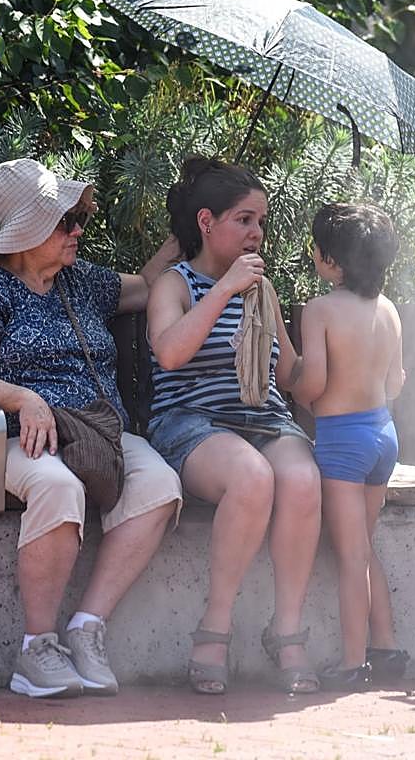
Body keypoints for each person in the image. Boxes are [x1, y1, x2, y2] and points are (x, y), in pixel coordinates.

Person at [0, 157, 183, 699]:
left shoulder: (80, 282)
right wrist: (26, 398)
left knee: (160, 486)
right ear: (26, 234)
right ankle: (36, 648)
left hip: (94, 432)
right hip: (4, 437)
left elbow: (147, 286)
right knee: (57, 486)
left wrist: (186, 230)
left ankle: (86, 628)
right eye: (64, 222)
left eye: (77, 219)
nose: (78, 230)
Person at [146, 157, 321, 695]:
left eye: (261, 221)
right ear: (206, 221)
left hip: (265, 418)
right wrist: (223, 290)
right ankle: (215, 628)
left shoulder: (262, 289)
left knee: (301, 480)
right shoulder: (175, 285)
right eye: (244, 220)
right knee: (251, 477)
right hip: (192, 423)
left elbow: (294, 380)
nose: (256, 233)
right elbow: (170, 353)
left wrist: (330, 326)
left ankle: (286, 628)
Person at [294, 204, 407, 690]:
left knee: (350, 556)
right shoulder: (388, 309)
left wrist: (293, 380)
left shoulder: (320, 310)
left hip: (342, 441)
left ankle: (351, 661)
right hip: (383, 433)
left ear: (331, 262)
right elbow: (396, 383)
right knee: (365, 547)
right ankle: (385, 647)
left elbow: (314, 384)